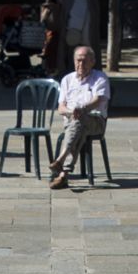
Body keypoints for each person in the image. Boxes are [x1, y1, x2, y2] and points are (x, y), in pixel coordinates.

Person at [50, 42, 108, 187]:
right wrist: (73, 112)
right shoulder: (67, 79)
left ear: (92, 61)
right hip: (72, 121)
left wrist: (82, 109)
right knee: (78, 128)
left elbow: (98, 100)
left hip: (96, 121)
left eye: (84, 60)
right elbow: (61, 108)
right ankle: (63, 174)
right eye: (78, 60)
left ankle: (61, 160)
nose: (80, 63)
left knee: (79, 121)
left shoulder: (100, 78)